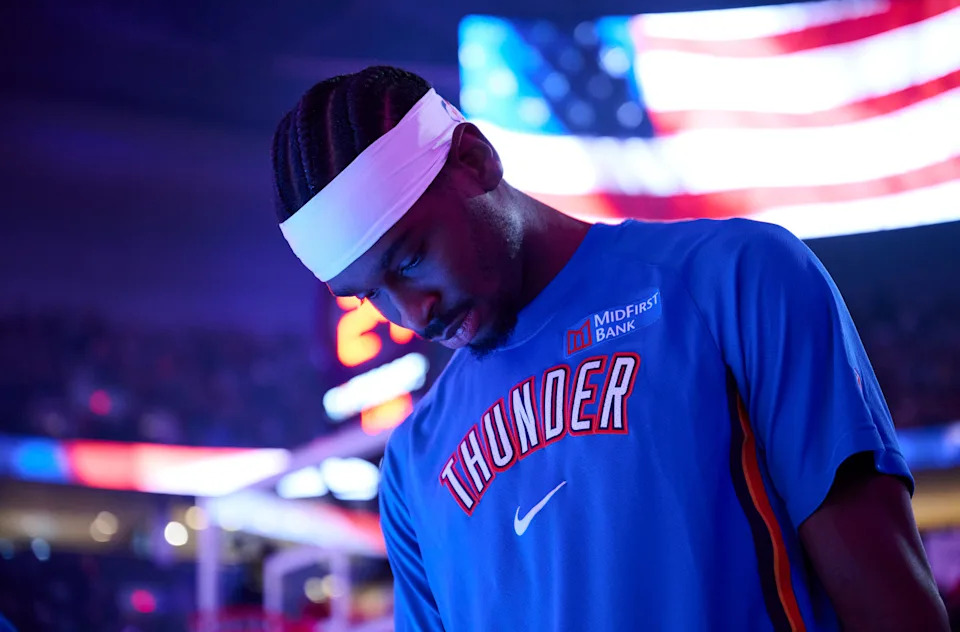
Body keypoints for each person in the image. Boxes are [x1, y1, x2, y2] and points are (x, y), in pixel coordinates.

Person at [270, 66, 949, 631]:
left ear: (474, 161)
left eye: (412, 257)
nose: (410, 314)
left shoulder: (734, 280)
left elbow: (891, 608)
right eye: (370, 296)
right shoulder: (413, 466)